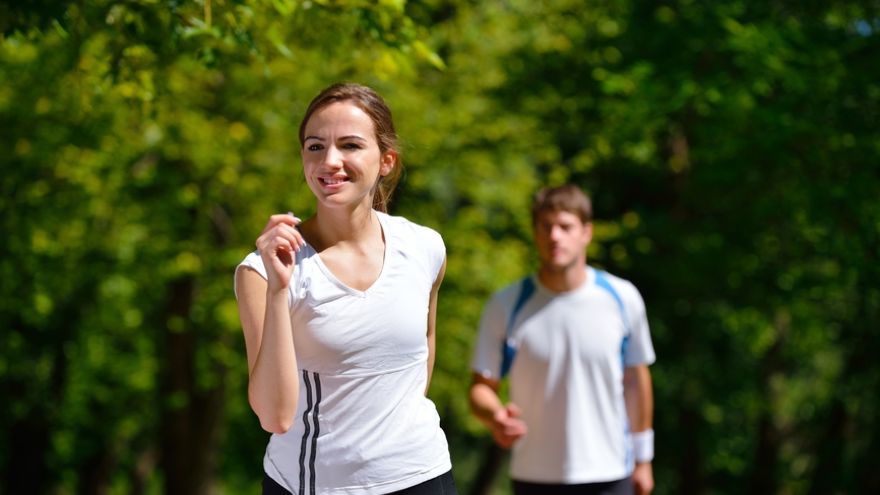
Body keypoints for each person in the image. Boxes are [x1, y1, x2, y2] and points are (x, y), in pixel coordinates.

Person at [234, 83, 457, 495]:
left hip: (425, 476)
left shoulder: (426, 247)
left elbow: (422, 347)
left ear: (386, 160)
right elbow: (275, 416)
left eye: (350, 145)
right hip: (317, 486)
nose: (330, 161)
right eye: (315, 147)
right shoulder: (264, 273)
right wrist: (279, 291)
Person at [469, 184, 656, 495]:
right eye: (546, 226)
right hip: (534, 475)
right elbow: (480, 388)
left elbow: (636, 381)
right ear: (535, 233)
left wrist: (643, 460)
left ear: (586, 232)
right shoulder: (506, 304)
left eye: (565, 227)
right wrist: (495, 417)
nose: (555, 236)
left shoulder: (623, 298)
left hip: (610, 472)